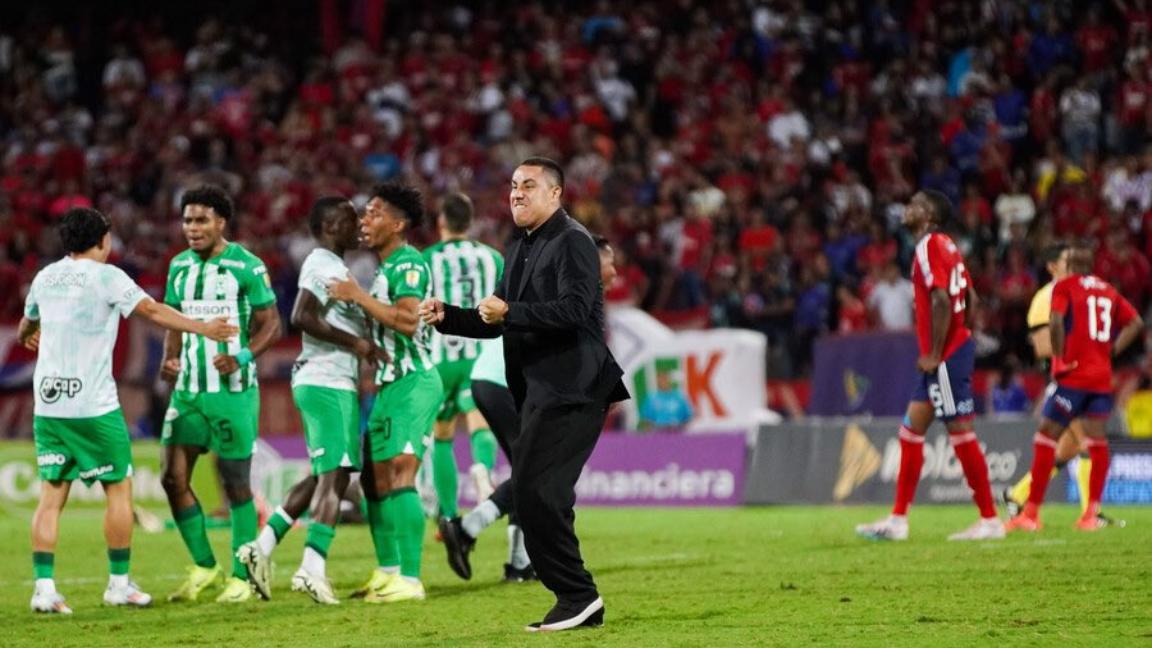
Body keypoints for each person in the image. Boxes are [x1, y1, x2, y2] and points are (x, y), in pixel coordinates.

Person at [421, 157, 629, 632]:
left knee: (540, 494)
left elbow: (577, 310)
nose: (516, 193)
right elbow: (494, 318)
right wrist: (448, 315)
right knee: (536, 493)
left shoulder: (573, 240)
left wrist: (511, 310)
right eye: (513, 185)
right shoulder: (519, 248)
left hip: (575, 387)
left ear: (555, 194)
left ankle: (576, 596)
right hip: (540, 389)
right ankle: (577, 599)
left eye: (528, 185)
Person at [18, 207, 237, 614]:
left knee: (51, 497)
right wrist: (204, 328)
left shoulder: (45, 277)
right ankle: (118, 584)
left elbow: (24, 326)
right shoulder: (108, 276)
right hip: (92, 405)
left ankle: (44, 590)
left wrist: (31, 334)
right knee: (118, 489)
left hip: (49, 404)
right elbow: (151, 311)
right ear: (102, 240)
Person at [439, 235, 619, 585]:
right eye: (610, 261)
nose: (615, 270)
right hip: (502, 381)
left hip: (494, 380)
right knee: (533, 472)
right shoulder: (572, 293)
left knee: (529, 471)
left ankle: (516, 560)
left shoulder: (577, 294)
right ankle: (469, 529)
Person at [237, 197, 383, 604]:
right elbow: (301, 315)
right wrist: (356, 342)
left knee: (325, 475)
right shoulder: (321, 265)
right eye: (350, 219)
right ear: (331, 226)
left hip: (328, 381)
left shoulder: (337, 269)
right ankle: (311, 567)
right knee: (335, 474)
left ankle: (260, 548)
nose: (357, 225)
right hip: (327, 381)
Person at [856, 190, 1005, 542]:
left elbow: (941, 298)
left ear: (929, 216)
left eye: (915, 205)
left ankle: (989, 520)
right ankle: (898, 520)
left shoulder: (927, 246)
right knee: (910, 433)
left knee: (961, 433)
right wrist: (964, 331)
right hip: (950, 352)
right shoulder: (949, 246)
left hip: (945, 357)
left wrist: (939, 351)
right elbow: (971, 297)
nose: (907, 209)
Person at [160, 185, 283, 604]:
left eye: (201, 220)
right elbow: (172, 318)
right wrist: (170, 357)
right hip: (188, 390)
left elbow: (272, 324)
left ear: (220, 222)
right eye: (188, 220)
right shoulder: (178, 266)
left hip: (232, 391)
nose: (192, 228)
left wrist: (243, 356)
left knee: (235, 486)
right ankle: (204, 567)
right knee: (172, 478)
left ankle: (241, 574)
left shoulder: (245, 265)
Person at [327, 182, 444, 603]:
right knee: (375, 481)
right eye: (365, 213)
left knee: (400, 471)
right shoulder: (382, 270)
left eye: (374, 213)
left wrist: (356, 295)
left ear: (398, 224)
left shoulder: (408, 264)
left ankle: (410, 579)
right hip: (389, 386)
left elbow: (409, 321)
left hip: (415, 383)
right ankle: (389, 569)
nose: (364, 221)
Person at [1006, 246, 1144, 531]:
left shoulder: (1062, 288)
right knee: (1088, 444)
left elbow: (1052, 330)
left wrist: (1062, 357)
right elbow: (1135, 322)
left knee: (1052, 442)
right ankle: (1089, 513)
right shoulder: (1105, 289)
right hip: (1099, 378)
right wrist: (1109, 353)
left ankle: (1027, 508)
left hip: (1070, 377)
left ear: (1067, 266)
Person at [422, 192, 504, 522]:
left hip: (441, 357)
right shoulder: (492, 257)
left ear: (441, 221)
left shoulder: (426, 259)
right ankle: (482, 469)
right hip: (480, 355)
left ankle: (450, 516)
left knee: (442, 436)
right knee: (479, 423)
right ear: (469, 222)